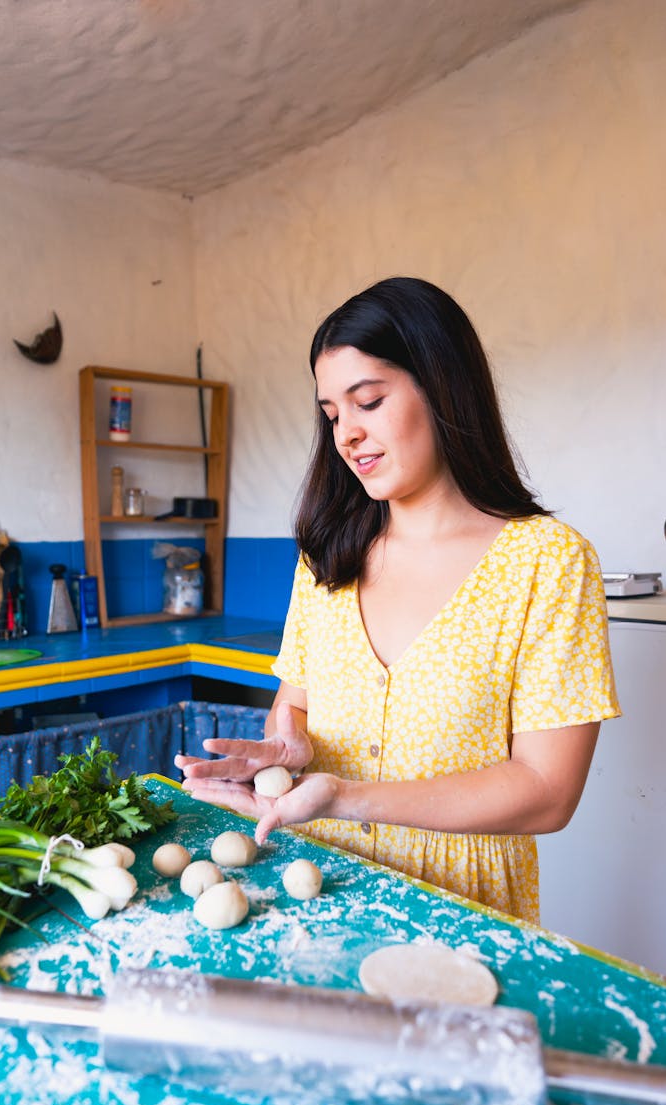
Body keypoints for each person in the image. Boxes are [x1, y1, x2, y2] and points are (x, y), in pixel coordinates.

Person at [176, 277, 620, 924]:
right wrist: (289, 747)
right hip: (320, 889)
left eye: (369, 401)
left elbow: (547, 791)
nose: (347, 435)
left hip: (463, 912)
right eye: (332, 415)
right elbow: (294, 702)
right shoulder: (325, 556)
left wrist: (346, 795)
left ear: (442, 387)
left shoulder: (547, 563)